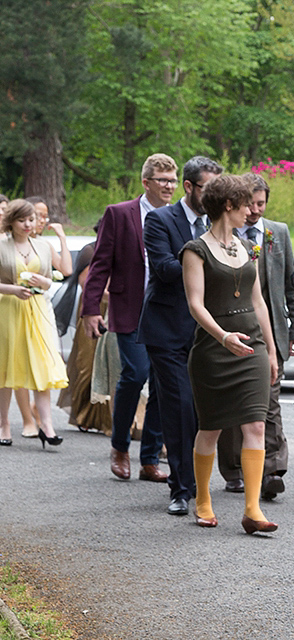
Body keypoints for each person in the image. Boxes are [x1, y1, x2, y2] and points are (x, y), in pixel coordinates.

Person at [180, 174, 279, 533]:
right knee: (211, 428)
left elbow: (259, 302)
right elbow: (195, 304)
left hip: (252, 345)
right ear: (228, 205)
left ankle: (252, 510)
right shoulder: (196, 250)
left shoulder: (245, 247)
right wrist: (223, 337)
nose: (252, 211)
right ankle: (202, 499)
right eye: (246, 204)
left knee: (255, 423)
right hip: (213, 348)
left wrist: (269, 351)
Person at [82, 153, 178, 483]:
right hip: (130, 308)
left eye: (173, 180)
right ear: (146, 182)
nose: (169, 186)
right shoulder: (120, 214)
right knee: (136, 373)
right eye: (163, 180)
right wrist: (91, 308)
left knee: (164, 384)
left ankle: (149, 457)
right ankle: (120, 446)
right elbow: (100, 264)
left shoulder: (177, 216)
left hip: (166, 311)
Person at [141, 155, 223, 516]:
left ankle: (201, 482)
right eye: (209, 189)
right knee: (179, 407)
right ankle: (181, 488)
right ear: (189, 187)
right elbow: (165, 268)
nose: (216, 196)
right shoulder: (159, 220)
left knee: (203, 408)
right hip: (167, 329)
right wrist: (208, 265)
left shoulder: (218, 222)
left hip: (205, 331)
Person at [215, 173, 294, 500]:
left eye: (260, 204)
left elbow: (290, 289)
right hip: (234, 328)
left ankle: (272, 470)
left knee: (269, 404)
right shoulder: (223, 233)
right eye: (248, 203)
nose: (253, 210)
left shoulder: (277, 232)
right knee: (232, 405)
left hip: (272, 333)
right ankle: (234, 469)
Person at [0, 199, 68, 448]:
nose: (28, 224)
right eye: (22, 220)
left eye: (31, 219)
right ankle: (4, 423)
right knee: (6, 367)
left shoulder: (42, 245)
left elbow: (53, 280)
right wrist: (12, 289)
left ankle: (47, 425)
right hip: (8, 308)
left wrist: (43, 283)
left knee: (42, 365)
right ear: (11, 221)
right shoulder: (1, 245)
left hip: (38, 309)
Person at [57, 242, 113, 434]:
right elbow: (86, 284)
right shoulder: (91, 250)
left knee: (111, 367)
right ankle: (85, 416)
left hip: (116, 309)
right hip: (94, 307)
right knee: (87, 364)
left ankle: (110, 419)